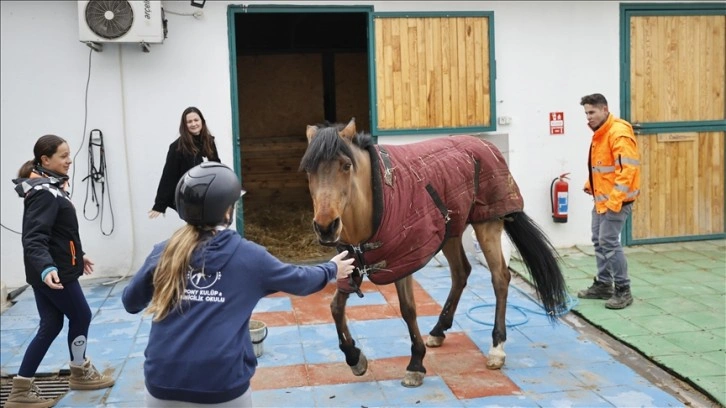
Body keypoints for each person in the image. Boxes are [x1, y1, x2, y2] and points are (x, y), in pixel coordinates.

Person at [123, 162, 354, 407]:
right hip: (221, 386)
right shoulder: (249, 257)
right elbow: (300, 281)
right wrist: (332, 268)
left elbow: (130, 302)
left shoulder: (164, 251)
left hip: (162, 385)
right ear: (227, 212)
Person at [8, 135, 115, 408]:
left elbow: (59, 232)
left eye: (69, 155)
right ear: (46, 160)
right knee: (82, 315)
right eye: (63, 156)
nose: (69, 160)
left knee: (51, 325)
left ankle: (21, 389)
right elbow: (34, 238)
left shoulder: (50, 187)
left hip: (54, 269)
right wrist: (47, 268)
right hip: (54, 274)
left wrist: (79, 256)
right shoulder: (44, 192)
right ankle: (79, 371)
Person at [577, 93, 641, 309]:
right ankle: (604, 285)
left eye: (592, 112)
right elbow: (603, 166)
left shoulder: (619, 133)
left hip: (617, 201)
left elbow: (628, 169)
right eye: (586, 113)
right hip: (601, 199)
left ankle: (623, 290)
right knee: (598, 240)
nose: (588, 117)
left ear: (605, 109)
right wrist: (590, 184)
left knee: (609, 242)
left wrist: (614, 201)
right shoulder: (601, 133)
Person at [149, 106, 220, 219]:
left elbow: (217, 166)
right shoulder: (177, 147)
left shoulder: (209, 141)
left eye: (196, 120)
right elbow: (169, 176)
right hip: (190, 198)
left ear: (202, 121)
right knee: (198, 228)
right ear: (184, 125)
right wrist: (159, 205)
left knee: (211, 227)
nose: (193, 124)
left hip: (209, 196)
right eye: (189, 121)